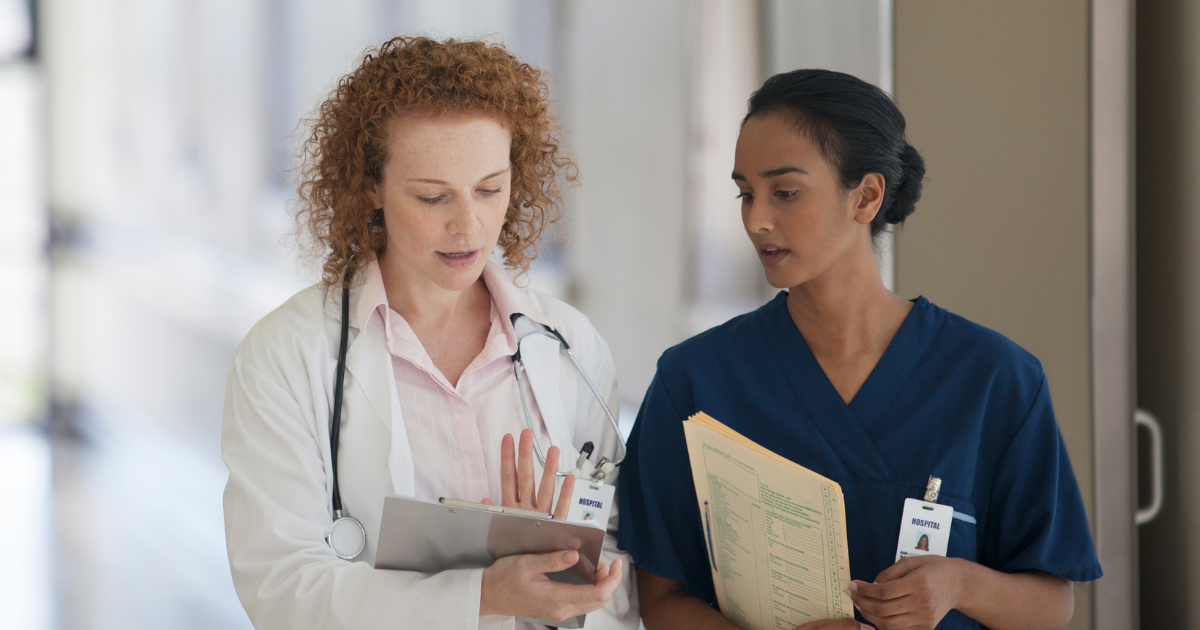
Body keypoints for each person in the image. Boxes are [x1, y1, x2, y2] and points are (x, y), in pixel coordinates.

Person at [618, 69, 1101, 630]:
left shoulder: (996, 379)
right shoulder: (695, 382)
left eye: (785, 192)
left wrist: (960, 583)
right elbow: (659, 601)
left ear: (867, 196)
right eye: (745, 194)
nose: (756, 220)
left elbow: (1051, 604)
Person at [222, 37, 636, 630]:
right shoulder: (284, 357)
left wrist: (555, 576)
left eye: (490, 188)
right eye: (432, 196)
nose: (468, 224)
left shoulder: (567, 346)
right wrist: (485, 594)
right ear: (371, 187)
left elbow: (620, 569)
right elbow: (283, 587)